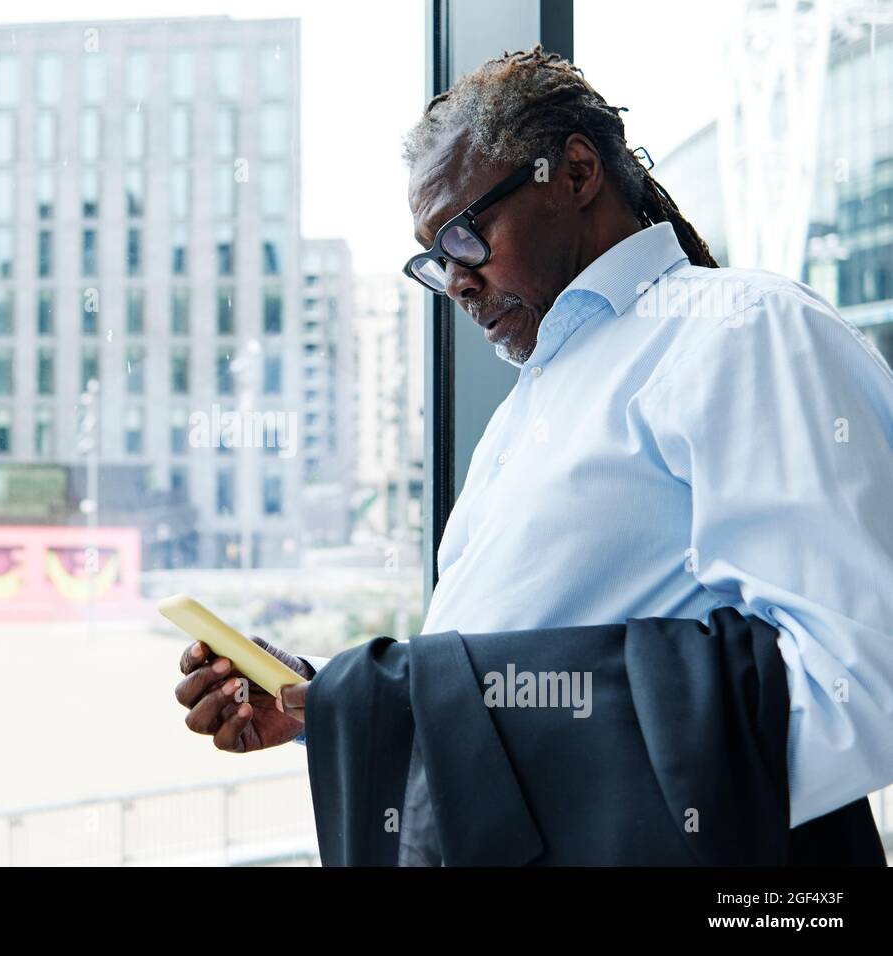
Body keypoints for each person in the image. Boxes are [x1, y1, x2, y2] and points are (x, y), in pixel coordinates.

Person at [173, 46, 893, 834]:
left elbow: (858, 685)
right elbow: (493, 692)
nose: (454, 280)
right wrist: (327, 701)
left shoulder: (742, 331)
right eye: (434, 259)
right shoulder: (526, 410)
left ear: (576, 174)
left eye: (461, 234)